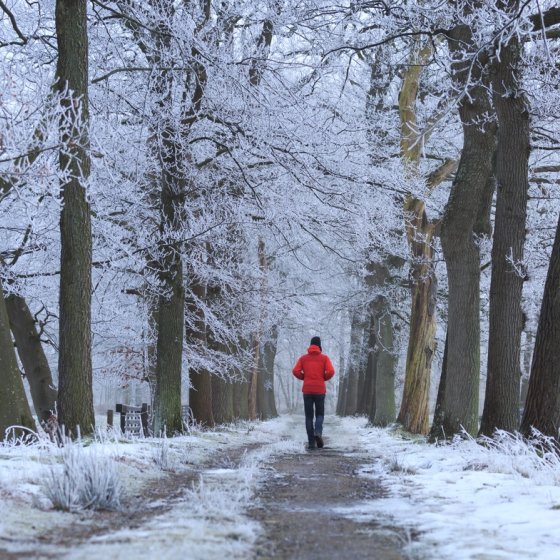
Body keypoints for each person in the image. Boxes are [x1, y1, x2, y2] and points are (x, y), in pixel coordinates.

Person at [292, 336, 335, 450]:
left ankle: (311, 443)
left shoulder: (303, 358)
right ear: (319, 346)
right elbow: (331, 371)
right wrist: (323, 378)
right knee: (320, 414)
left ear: (310, 346)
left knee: (309, 416)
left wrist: (304, 377)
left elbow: (295, 371)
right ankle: (318, 432)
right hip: (320, 389)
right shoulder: (324, 358)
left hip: (307, 390)